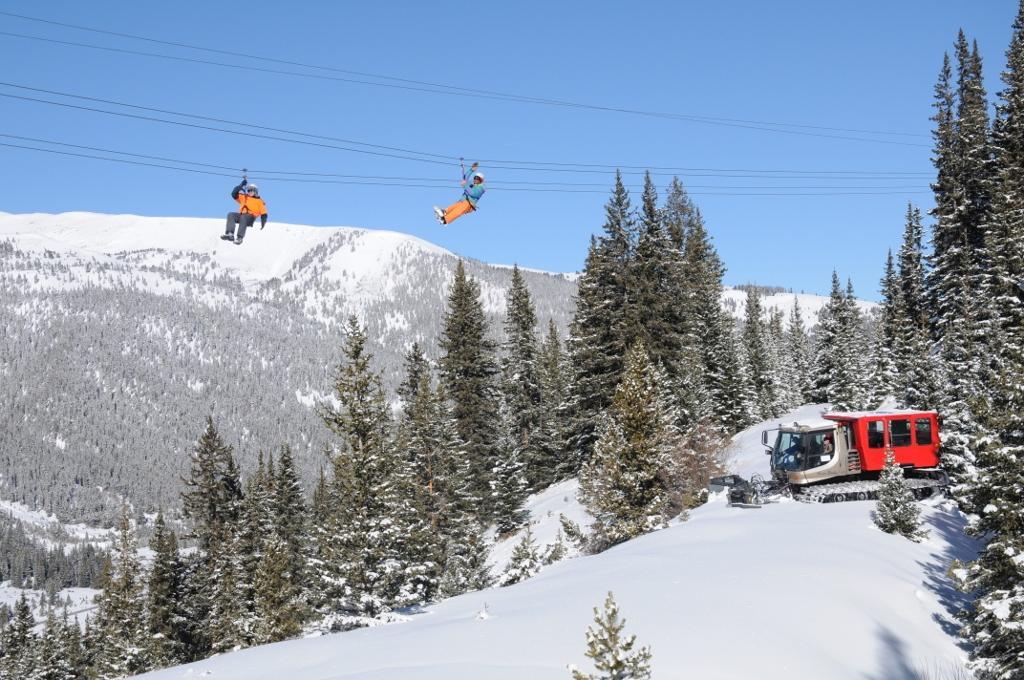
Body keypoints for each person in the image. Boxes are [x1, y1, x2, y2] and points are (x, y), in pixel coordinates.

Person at [434, 161, 485, 225]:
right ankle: (444, 212)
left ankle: (445, 220)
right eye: (475, 178)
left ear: (481, 180)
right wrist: (471, 170)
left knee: (457, 211)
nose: (476, 179)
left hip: (469, 203)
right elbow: (465, 178)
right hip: (463, 200)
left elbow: (473, 193)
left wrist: (465, 186)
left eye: (478, 178)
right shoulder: (472, 184)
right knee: (454, 206)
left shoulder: (481, 188)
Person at [222, 178, 268, 245]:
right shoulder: (244, 197)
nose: (249, 192)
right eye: (248, 190)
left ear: (255, 191)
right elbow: (233, 194)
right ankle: (230, 234)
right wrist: (241, 185)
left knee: (244, 217)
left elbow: (264, 213)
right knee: (231, 214)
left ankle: (239, 238)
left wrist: (263, 222)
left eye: (251, 190)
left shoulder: (259, 201)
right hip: (241, 215)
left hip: (251, 217)